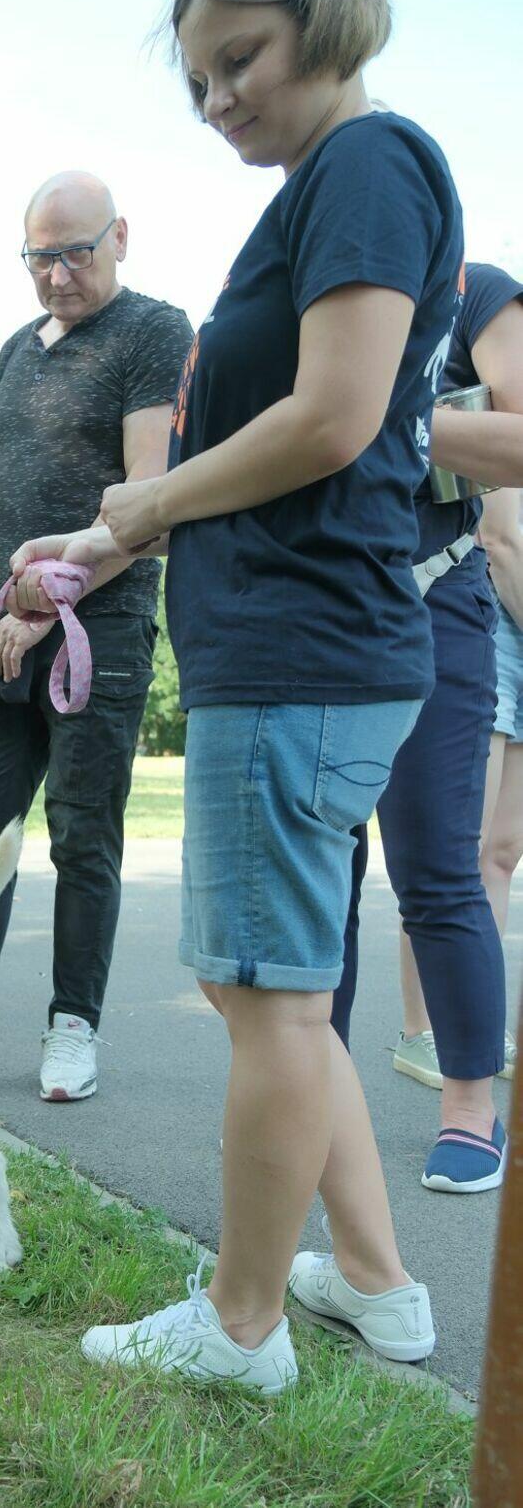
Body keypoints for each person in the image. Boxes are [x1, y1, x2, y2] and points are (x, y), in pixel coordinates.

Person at [12, 0, 456, 1391]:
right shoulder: (327, 185)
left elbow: (333, 418)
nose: (216, 101)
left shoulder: (369, 165)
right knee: (270, 993)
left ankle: (244, 1322)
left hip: (305, 653)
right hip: (296, 647)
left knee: (269, 1000)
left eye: (241, 59)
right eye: (199, 77)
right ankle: (379, 1287)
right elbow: (268, 449)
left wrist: (141, 506)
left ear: (328, 18)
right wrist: (92, 542)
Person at [0, 169, 192, 1099]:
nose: (55, 276)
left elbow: (149, 500)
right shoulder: (15, 348)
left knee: (82, 837)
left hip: (100, 631)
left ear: (119, 238)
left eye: (75, 254)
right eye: (38, 258)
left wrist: (40, 604)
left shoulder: (154, 332)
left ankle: (73, 1028)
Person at [334, 263, 521, 1194]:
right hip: (320, 604)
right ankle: (314, 1099)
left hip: (435, 599)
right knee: (320, 874)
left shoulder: (475, 291)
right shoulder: (310, 291)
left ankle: (471, 1110)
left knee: (441, 869)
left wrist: (379, 413)